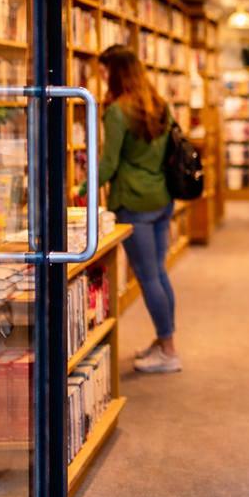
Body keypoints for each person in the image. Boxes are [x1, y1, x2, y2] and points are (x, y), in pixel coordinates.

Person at [91, 45, 182, 372]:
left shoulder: (118, 110)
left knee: (147, 277)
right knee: (158, 272)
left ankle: (169, 351)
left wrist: (80, 188)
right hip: (161, 198)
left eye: (104, 72)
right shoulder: (160, 104)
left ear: (116, 72)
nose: (101, 79)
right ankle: (164, 341)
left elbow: (109, 163)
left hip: (133, 201)